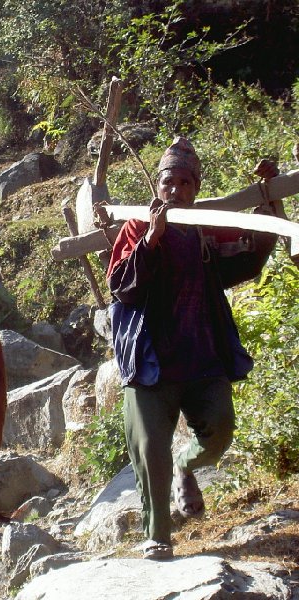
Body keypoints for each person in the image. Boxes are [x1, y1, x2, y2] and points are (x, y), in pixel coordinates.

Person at [106, 137, 282, 560]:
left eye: (185, 182)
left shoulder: (206, 226)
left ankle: (187, 465)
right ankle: (158, 537)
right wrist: (151, 239)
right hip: (149, 362)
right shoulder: (136, 225)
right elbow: (121, 288)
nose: (176, 189)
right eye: (169, 181)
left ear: (195, 188)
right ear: (158, 185)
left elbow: (252, 255)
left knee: (219, 433)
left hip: (202, 357)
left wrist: (270, 199)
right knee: (149, 448)